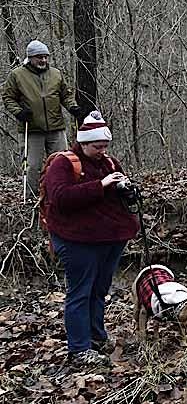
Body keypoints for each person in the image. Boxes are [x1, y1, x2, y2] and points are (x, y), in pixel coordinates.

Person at [41, 111, 139, 367]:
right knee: (80, 292)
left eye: (105, 146)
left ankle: (97, 337)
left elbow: (116, 195)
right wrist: (101, 185)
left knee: (99, 290)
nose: (102, 151)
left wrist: (123, 188)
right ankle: (79, 348)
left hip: (111, 237)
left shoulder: (109, 162)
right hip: (76, 240)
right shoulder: (63, 164)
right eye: (97, 146)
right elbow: (61, 198)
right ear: (83, 143)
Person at [2, 40, 79, 198]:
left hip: (56, 127)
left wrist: (72, 107)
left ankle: (60, 193)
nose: (43, 60)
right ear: (30, 57)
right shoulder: (17, 75)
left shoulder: (56, 74)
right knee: (33, 166)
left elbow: (65, 95)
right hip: (31, 128)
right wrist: (19, 112)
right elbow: (8, 97)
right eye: (39, 57)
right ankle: (30, 196)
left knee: (61, 162)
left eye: (45, 57)